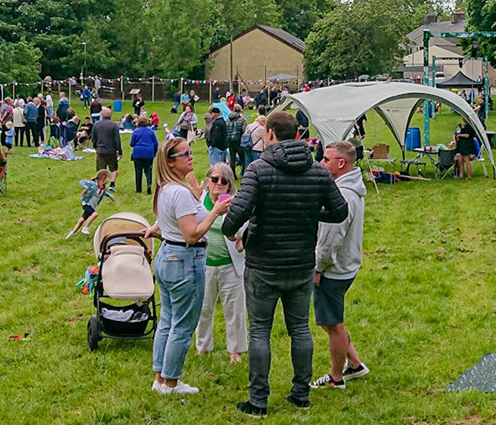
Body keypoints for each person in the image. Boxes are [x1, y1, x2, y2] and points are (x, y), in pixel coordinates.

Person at [219, 110, 348, 417]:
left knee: (260, 331)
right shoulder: (317, 172)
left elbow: (232, 220)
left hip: (263, 263)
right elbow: (340, 211)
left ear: (271, 134)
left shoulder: (258, 170)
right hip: (301, 263)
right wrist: (311, 214)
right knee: (300, 329)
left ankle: (258, 401)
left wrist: (244, 226)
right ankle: (301, 394)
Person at [149, 136, 228, 396]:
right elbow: (192, 234)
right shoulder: (180, 193)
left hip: (167, 256)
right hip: (185, 259)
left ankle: (160, 378)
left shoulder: (166, 188)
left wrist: (202, 200)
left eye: (190, 151)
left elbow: (177, 220)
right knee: (182, 324)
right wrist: (215, 212)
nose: (191, 156)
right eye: (184, 154)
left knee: (168, 320)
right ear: (170, 162)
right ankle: (171, 383)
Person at [311, 141, 369, 389]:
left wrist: (318, 268)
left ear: (341, 163)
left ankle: (336, 378)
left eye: (326, 159)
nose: (321, 163)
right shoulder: (352, 187)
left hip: (333, 270)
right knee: (332, 321)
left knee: (332, 324)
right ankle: (355, 364)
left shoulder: (341, 195)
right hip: (346, 265)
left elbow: (329, 240)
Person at [195, 163, 247, 364]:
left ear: (229, 185)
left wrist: (240, 238)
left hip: (230, 265)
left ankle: (235, 351)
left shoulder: (236, 204)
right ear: (207, 181)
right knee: (203, 308)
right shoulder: (198, 201)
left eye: (224, 181)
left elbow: (247, 228)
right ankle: (202, 347)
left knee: (234, 310)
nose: (219, 183)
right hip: (204, 263)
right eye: (214, 179)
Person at [68, 168, 116, 238]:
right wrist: (86, 188)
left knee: (81, 220)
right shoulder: (93, 184)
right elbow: (81, 182)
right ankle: (85, 228)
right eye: (108, 178)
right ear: (103, 178)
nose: (109, 180)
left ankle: (72, 233)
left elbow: (104, 193)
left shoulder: (103, 187)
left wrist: (110, 196)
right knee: (95, 214)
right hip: (86, 203)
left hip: (93, 205)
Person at [90, 106, 122, 179]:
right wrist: (119, 151)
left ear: (102, 114)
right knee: (113, 168)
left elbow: (93, 138)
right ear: (110, 115)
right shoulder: (113, 125)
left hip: (100, 150)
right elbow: (117, 139)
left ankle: (101, 182)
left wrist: (95, 147)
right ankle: (112, 182)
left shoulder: (96, 124)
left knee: (101, 169)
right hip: (111, 151)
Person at [132, 115, 160, 194]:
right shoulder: (151, 131)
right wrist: (154, 152)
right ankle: (149, 183)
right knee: (148, 170)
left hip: (138, 152)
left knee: (138, 170)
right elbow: (156, 143)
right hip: (149, 152)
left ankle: (138, 188)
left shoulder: (136, 131)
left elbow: (132, 143)